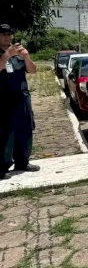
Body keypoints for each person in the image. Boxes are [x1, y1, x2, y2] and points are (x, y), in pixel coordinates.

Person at [0, 23, 39, 180]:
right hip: (3, 99)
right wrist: (6, 55)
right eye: (3, 34)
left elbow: (32, 70)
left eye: (9, 34)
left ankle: (23, 161)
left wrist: (26, 56)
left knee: (25, 129)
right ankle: (2, 166)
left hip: (22, 96)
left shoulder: (17, 54)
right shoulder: (6, 54)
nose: (7, 37)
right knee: (5, 133)